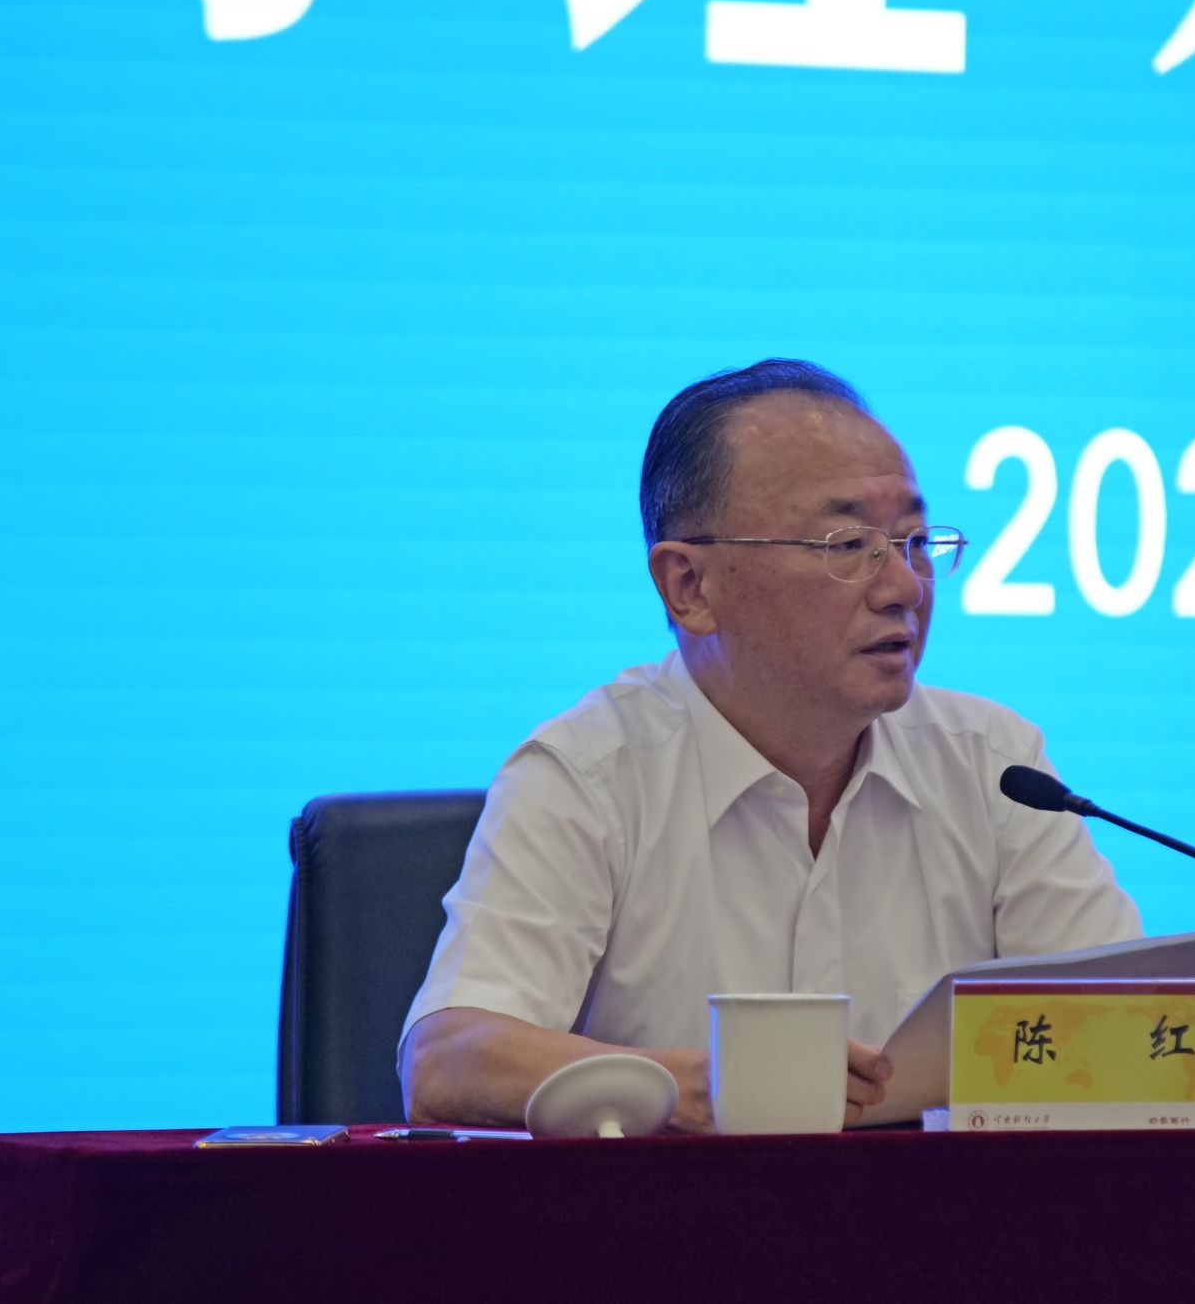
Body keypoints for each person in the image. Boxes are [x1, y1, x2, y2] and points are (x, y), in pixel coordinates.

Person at [399, 359, 1139, 1131]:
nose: (905, 587)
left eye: (915, 541)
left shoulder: (993, 763)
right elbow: (446, 1061)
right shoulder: (590, 774)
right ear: (690, 586)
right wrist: (702, 1083)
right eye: (847, 544)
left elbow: (1129, 1031)